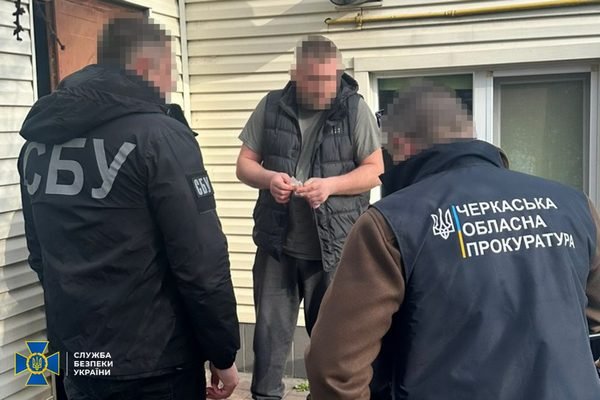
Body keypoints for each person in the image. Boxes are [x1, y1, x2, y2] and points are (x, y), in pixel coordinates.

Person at [305, 83, 600, 399]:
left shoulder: (392, 222)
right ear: (470, 133)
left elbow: (336, 368)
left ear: (400, 145)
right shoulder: (575, 205)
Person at [18, 16, 239, 400]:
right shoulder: (159, 137)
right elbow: (201, 261)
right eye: (169, 70)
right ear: (143, 66)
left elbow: (40, 254)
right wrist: (223, 351)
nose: (172, 84)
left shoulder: (36, 146)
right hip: (153, 362)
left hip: (79, 358)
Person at [235, 35, 383, 400]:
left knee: (331, 346)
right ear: (296, 74)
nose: (323, 88)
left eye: (330, 78)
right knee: (268, 343)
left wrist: (331, 185)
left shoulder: (355, 110)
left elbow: (375, 170)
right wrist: (269, 179)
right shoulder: (271, 106)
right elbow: (244, 165)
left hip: (334, 250)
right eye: (314, 79)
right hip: (277, 247)